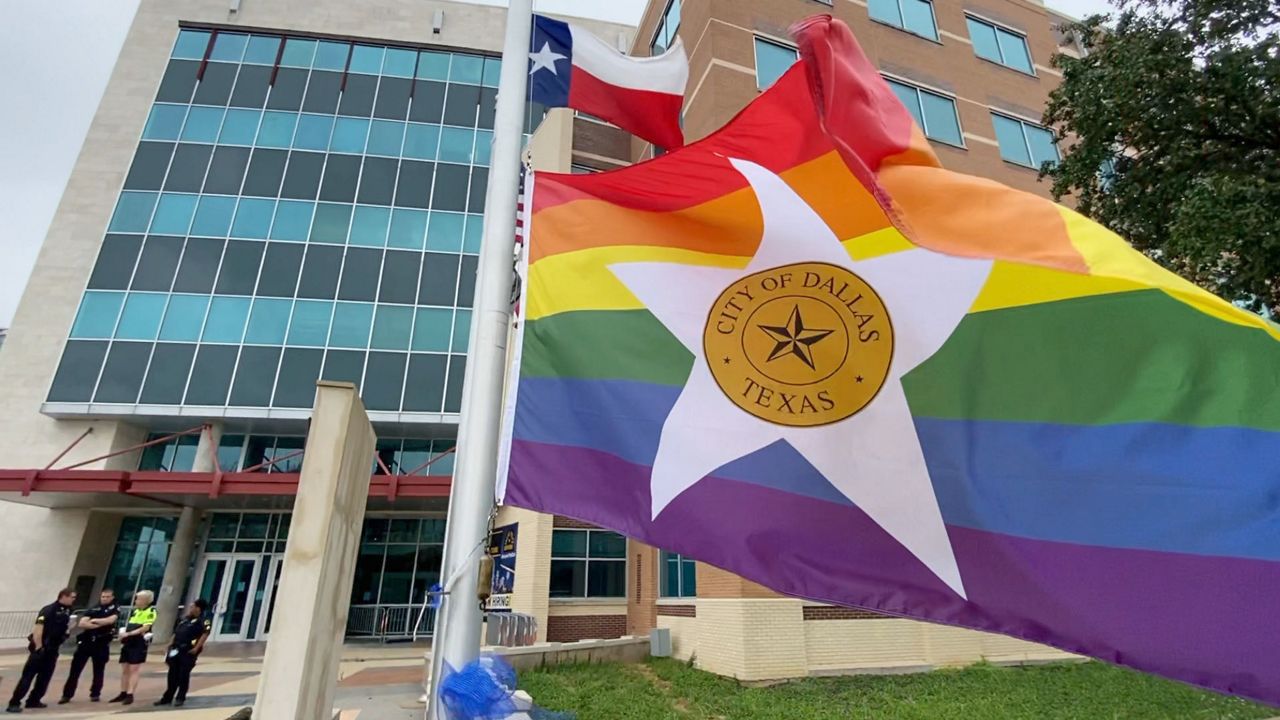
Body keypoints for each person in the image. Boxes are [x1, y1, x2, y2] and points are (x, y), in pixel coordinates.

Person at [6, 588, 76, 713]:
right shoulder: (49, 610)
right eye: (72, 597)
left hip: (53, 649)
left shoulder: (68, 611)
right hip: (42, 648)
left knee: (44, 678)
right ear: (63, 596)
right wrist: (38, 648)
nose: (74, 599)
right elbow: (38, 629)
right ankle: (14, 702)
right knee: (27, 677)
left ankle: (34, 700)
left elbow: (65, 628)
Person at [57, 588, 120, 704]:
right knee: (75, 670)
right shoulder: (94, 607)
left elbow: (110, 621)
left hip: (101, 643)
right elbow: (82, 623)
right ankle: (67, 695)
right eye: (103, 596)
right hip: (86, 642)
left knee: (99, 670)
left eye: (107, 597)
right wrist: (97, 624)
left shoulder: (114, 608)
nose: (104, 599)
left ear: (112, 598)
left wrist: (95, 620)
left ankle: (95, 693)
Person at [154, 599, 211, 708]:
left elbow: (204, 635)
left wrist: (196, 648)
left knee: (183, 675)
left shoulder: (204, 620)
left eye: (192, 606)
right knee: (172, 674)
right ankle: (167, 697)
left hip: (188, 651)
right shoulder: (184, 619)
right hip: (176, 649)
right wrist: (169, 645)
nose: (190, 609)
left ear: (198, 608)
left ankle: (180, 697)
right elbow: (176, 633)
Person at [108, 589, 155, 706]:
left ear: (145, 600)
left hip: (138, 642)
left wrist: (130, 633)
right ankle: (123, 692)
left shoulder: (151, 611)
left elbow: (145, 627)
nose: (136, 601)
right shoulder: (136, 611)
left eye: (138, 598)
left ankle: (130, 694)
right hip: (128, 641)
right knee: (125, 668)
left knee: (134, 668)